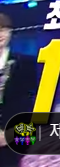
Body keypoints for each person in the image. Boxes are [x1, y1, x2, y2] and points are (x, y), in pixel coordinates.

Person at [0, 13, 37, 167]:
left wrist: (10, 134)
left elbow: (34, 103)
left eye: (4, 29)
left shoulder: (27, 63)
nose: (1, 34)